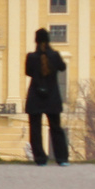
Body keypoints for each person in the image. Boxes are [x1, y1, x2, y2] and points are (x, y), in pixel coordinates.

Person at [25, 28, 69, 166]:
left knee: (35, 129)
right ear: (49, 40)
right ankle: (61, 158)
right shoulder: (55, 56)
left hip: (35, 96)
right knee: (56, 128)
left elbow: (28, 72)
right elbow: (62, 67)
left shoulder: (31, 57)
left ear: (36, 41)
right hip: (52, 96)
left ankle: (40, 159)